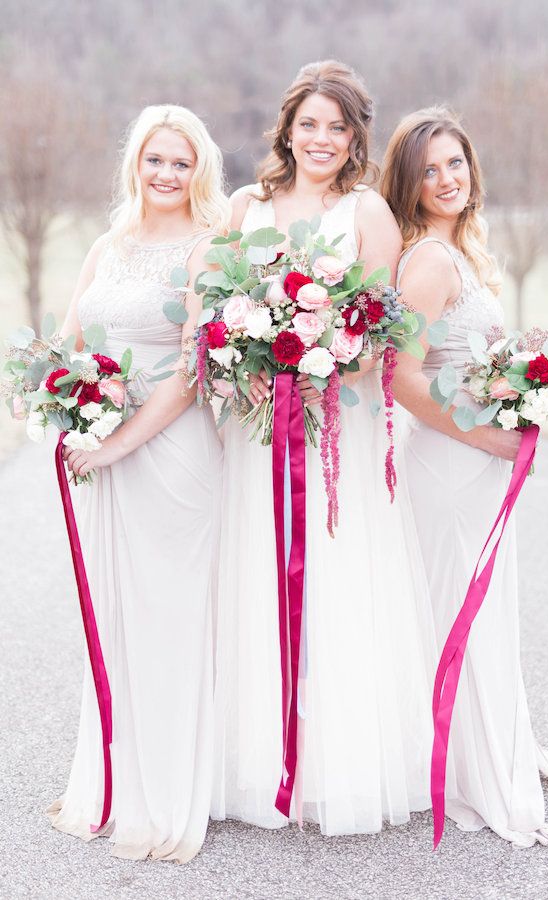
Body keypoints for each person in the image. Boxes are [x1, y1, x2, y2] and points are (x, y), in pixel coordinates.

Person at [212, 61, 437, 836]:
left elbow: (376, 327)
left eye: (337, 127)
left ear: (354, 138)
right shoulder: (248, 205)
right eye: (309, 123)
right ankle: (263, 761)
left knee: (337, 580)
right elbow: (217, 309)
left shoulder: (367, 209)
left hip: (331, 420)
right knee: (260, 572)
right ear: (286, 128)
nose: (321, 139)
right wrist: (247, 362)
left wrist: (320, 369)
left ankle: (338, 765)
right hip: (258, 429)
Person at [381, 106, 548, 847]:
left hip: (473, 462)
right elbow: (402, 379)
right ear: (407, 184)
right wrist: (484, 437)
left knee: (478, 616)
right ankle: (468, 770)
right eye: (428, 169)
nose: (445, 179)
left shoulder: (462, 252)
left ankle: (484, 750)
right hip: (448, 465)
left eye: (455, 163)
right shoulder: (431, 262)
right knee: (458, 618)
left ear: (472, 169)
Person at [49, 104, 228, 863]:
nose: (166, 174)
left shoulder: (206, 249)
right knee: (118, 616)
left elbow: (192, 374)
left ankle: (172, 796)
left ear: (200, 172)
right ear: (135, 164)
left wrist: (116, 442)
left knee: (171, 621)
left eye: (181, 162)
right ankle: (114, 781)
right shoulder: (107, 244)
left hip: (173, 454)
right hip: (105, 454)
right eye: (155, 159)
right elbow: (66, 343)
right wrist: (63, 406)